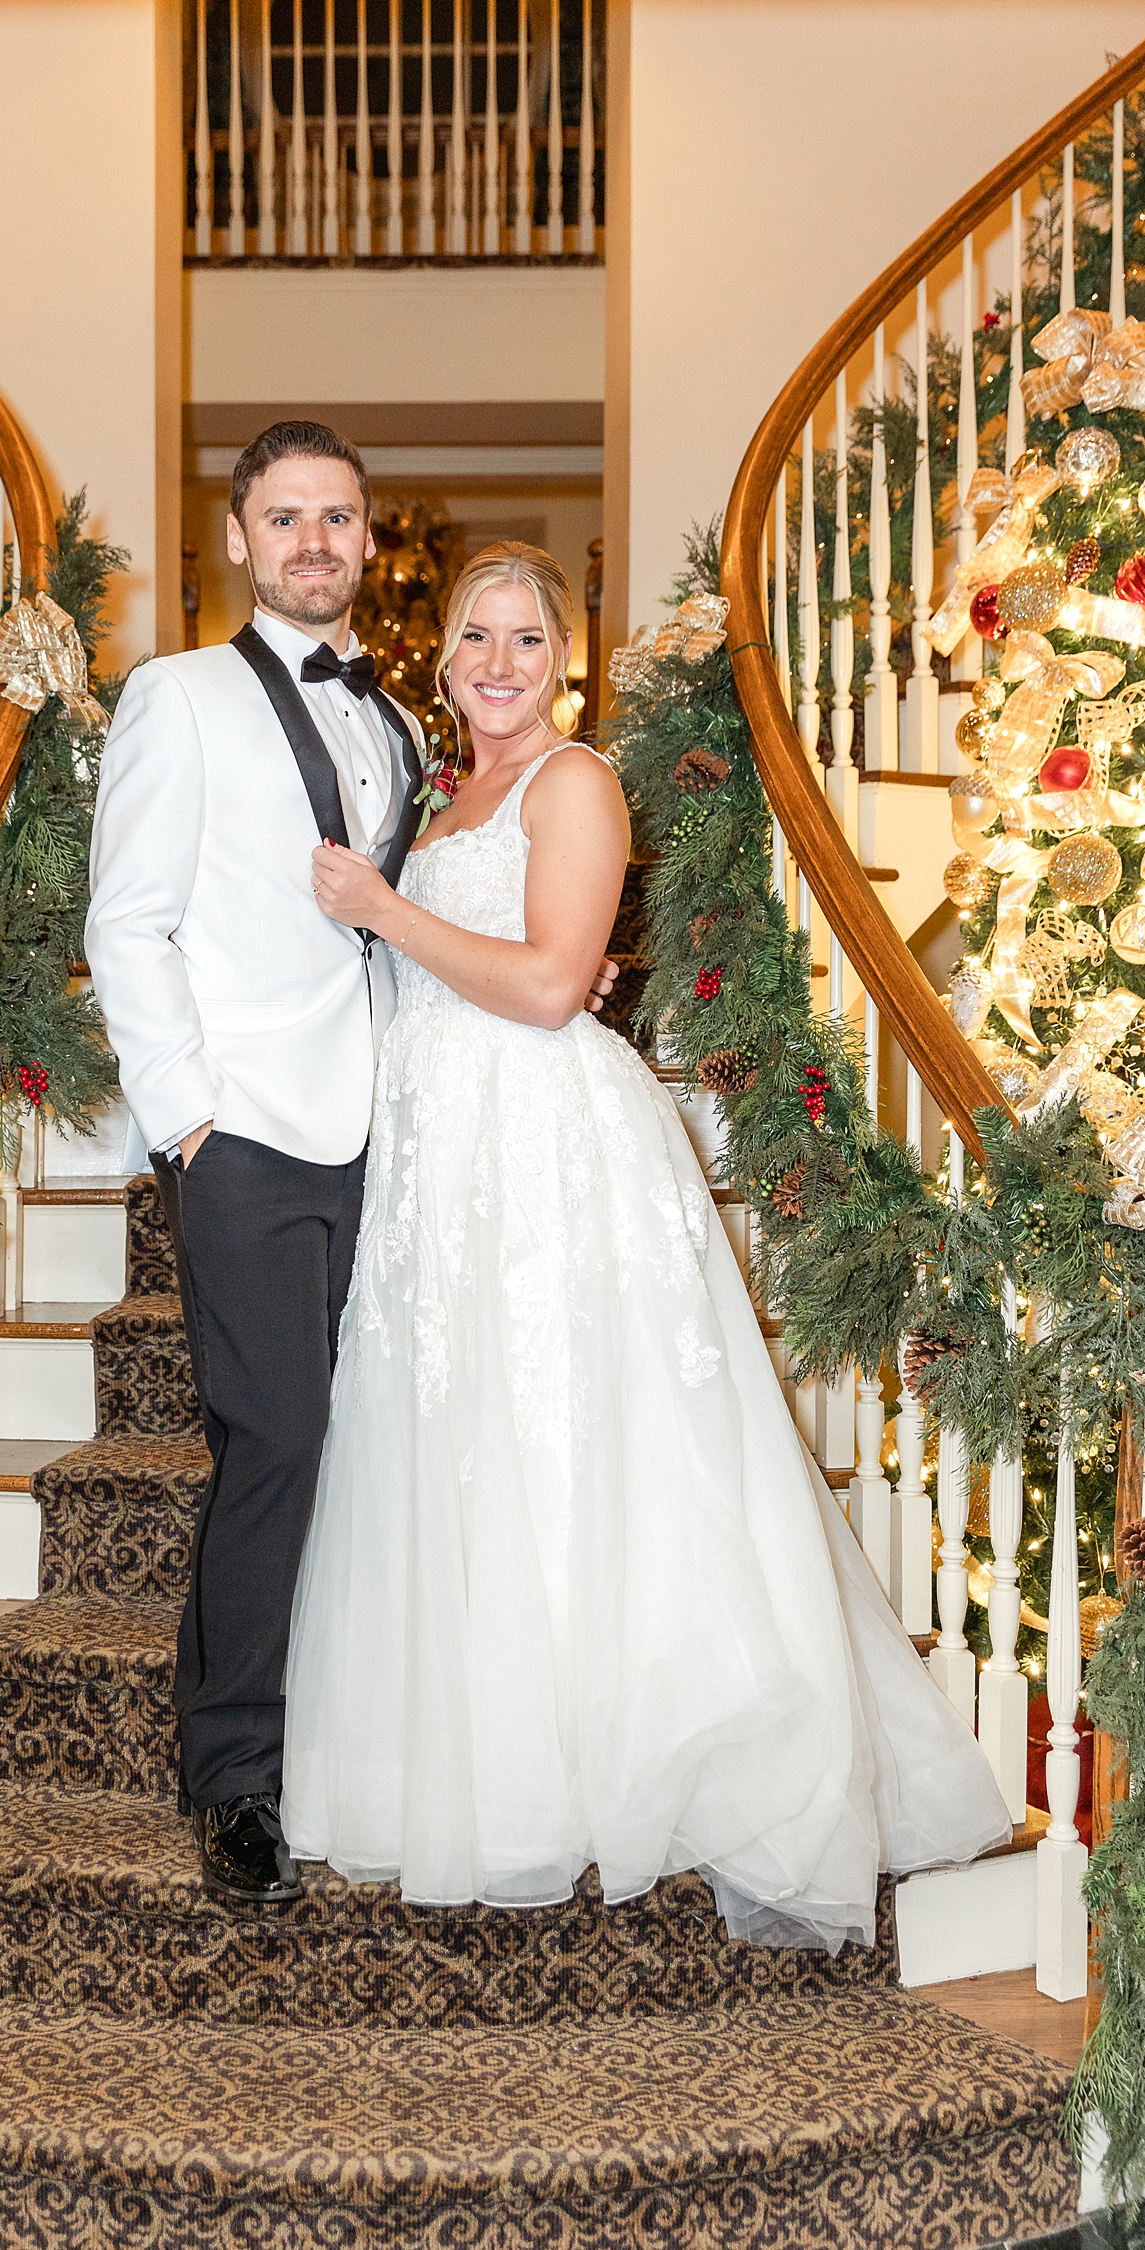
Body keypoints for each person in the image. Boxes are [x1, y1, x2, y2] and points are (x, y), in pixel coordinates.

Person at [280, 541, 1012, 1947]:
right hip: (442, 1156)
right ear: (442, 660)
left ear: (567, 659)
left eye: (527, 638)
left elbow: (558, 984)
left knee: (582, 1446)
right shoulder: (443, 798)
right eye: (477, 637)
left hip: (545, 1146)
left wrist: (385, 912)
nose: (500, 661)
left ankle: (630, 1759)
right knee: (460, 1445)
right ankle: (488, 1763)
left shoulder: (578, 782)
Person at [86, 425, 616, 1907]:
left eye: (338, 517)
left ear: (366, 538)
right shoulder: (175, 697)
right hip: (245, 1131)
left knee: (377, 1440)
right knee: (279, 1438)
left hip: (393, 1135)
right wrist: (186, 1115)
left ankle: (343, 1724)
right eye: (284, 517)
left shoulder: (398, 728)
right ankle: (233, 1774)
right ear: (241, 538)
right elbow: (125, 920)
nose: (313, 540)